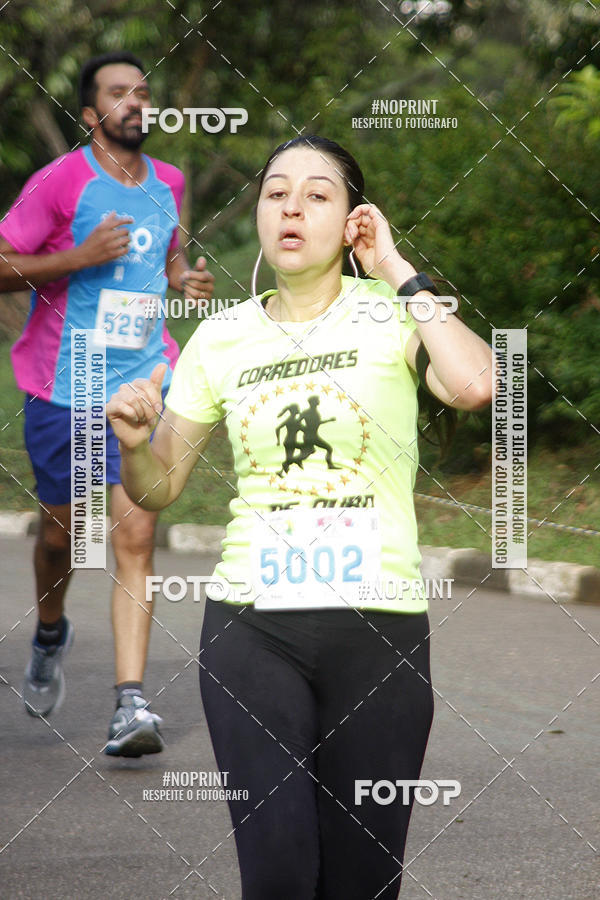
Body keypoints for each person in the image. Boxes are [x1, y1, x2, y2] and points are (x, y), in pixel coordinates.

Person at [107, 135, 493, 896]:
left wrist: (394, 267)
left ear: (355, 221)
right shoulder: (221, 336)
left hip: (378, 627)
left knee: (363, 882)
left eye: (318, 194)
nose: (292, 206)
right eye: (277, 191)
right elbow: (159, 490)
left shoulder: (396, 314)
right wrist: (132, 448)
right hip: (253, 624)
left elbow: (478, 382)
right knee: (279, 875)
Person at [0, 51, 214, 757]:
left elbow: (166, 252)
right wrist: (77, 259)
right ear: (90, 115)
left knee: (134, 537)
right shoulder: (59, 182)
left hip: (147, 379)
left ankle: (129, 706)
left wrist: (183, 277)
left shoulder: (170, 182)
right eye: (118, 94)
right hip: (64, 385)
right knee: (61, 536)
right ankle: (50, 630)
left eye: (143, 92)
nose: (134, 102)